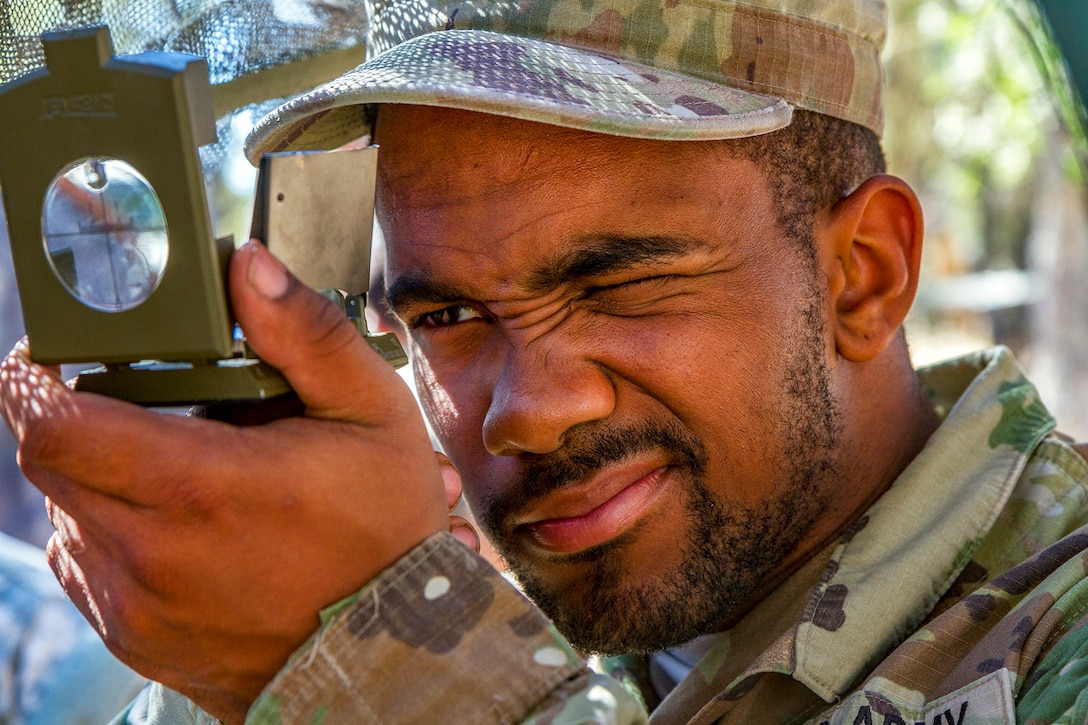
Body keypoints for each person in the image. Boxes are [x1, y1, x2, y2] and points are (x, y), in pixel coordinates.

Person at [3, 0, 1088, 723]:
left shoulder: (1059, 637)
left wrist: (376, 661)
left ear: (863, 274)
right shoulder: (552, 620)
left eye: (616, 287)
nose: (529, 409)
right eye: (446, 316)